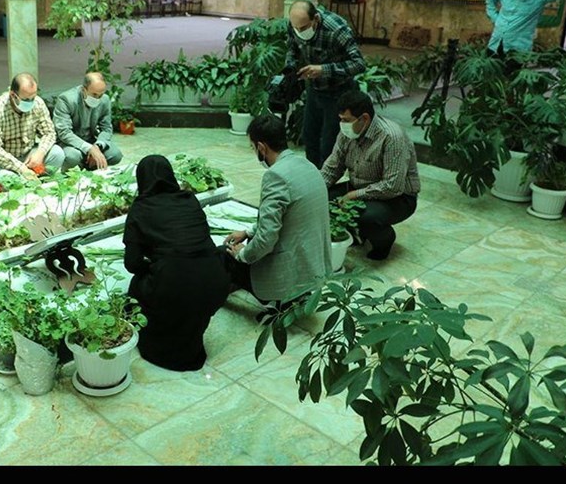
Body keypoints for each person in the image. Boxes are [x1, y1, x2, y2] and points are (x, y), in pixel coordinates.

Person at [123, 155, 229, 372]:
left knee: (139, 286)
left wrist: (154, 266)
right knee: (186, 290)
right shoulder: (189, 200)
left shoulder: (141, 208)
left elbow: (132, 263)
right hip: (216, 282)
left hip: (174, 286)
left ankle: (162, 342)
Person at [223, 115, 331, 304]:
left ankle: (278, 300)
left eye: (253, 147)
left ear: (261, 147)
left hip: (289, 276)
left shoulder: (276, 176)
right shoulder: (308, 165)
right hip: (314, 266)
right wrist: (248, 232)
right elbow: (287, 218)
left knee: (225, 256)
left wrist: (241, 254)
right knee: (250, 243)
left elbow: (266, 240)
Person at [321, 90, 420, 261]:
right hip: (360, 187)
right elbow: (332, 168)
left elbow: (392, 186)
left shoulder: (391, 137)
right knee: (323, 200)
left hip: (397, 197)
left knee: (366, 218)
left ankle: (385, 240)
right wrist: (316, 188)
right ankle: (358, 234)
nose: (342, 124)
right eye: (341, 119)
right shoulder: (347, 134)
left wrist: (354, 195)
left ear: (364, 118)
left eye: (346, 120)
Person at [286, 0, 366, 169]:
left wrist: (324, 70)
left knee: (328, 143)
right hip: (314, 89)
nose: (299, 32)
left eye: (303, 28)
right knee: (309, 136)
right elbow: (292, 48)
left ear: (315, 19)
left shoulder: (336, 29)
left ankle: (326, 179)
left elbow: (359, 64)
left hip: (338, 91)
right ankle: (312, 176)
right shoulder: (295, 24)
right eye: (296, 28)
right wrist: (291, 68)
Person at [0, 72, 65, 178]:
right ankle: (23, 179)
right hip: (1, 159)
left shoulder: (38, 103)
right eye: (26, 100)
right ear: (13, 95)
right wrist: (21, 168)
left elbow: (49, 133)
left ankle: (38, 180)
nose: (30, 102)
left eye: (33, 98)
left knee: (57, 154)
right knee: (7, 178)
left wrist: (40, 153)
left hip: (26, 154)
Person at [52, 72, 123, 171]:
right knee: (72, 157)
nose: (97, 98)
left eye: (100, 95)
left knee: (115, 155)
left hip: (91, 139)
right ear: (83, 89)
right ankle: (72, 170)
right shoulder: (66, 99)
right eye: (94, 94)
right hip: (69, 142)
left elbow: (106, 128)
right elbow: (64, 132)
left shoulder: (105, 100)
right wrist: (89, 148)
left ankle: (90, 167)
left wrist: (97, 146)